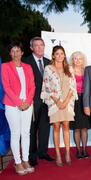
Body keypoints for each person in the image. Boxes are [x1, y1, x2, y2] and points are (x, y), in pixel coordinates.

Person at [1, 42, 35, 175]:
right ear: (10, 53)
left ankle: (26, 160)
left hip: (27, 104)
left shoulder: (28, 67)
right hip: (12, 105)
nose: (15, 54)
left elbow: (32, 86)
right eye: (13, 51)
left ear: (22, 53)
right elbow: (6, 87)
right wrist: (19, 102)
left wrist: (27, 101)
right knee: (15, 133)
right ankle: (18, 162)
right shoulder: (5, 67)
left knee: (26, 133)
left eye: (18, 51)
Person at [41, 46, 77, 166]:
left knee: (66, 126)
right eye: (57, 54)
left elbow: (73, 87)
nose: (60, 56)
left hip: (67, 102)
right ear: (53, 56)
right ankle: (57, 154)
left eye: (62, 53)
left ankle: (67, 152)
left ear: (64, 55)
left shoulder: (69, 68)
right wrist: (58, 102)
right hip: (54, 103)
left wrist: (66, 101)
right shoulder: (48, 69)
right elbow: (47, 87)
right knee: (56, 127)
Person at [22, 37, 54, 166]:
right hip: (32, 102)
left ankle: (43, 152)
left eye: (41, 45)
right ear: (31, 48)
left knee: (45, 128)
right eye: (36, 45)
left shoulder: (49, 62)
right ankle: (32, 155)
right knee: (31, 130)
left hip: (47, 102)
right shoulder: (25, 62)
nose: (40, 47)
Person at [69, 51, 91, 159]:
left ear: (83, 60)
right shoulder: (69, 71)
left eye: (80, 58)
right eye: (75, 58)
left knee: (84, 127)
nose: (77, 60)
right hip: (74, 101)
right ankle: (78, 150)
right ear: (72, 60)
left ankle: (84, 149)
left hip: (85, 100)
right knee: (76, 128)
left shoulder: (86, 70)